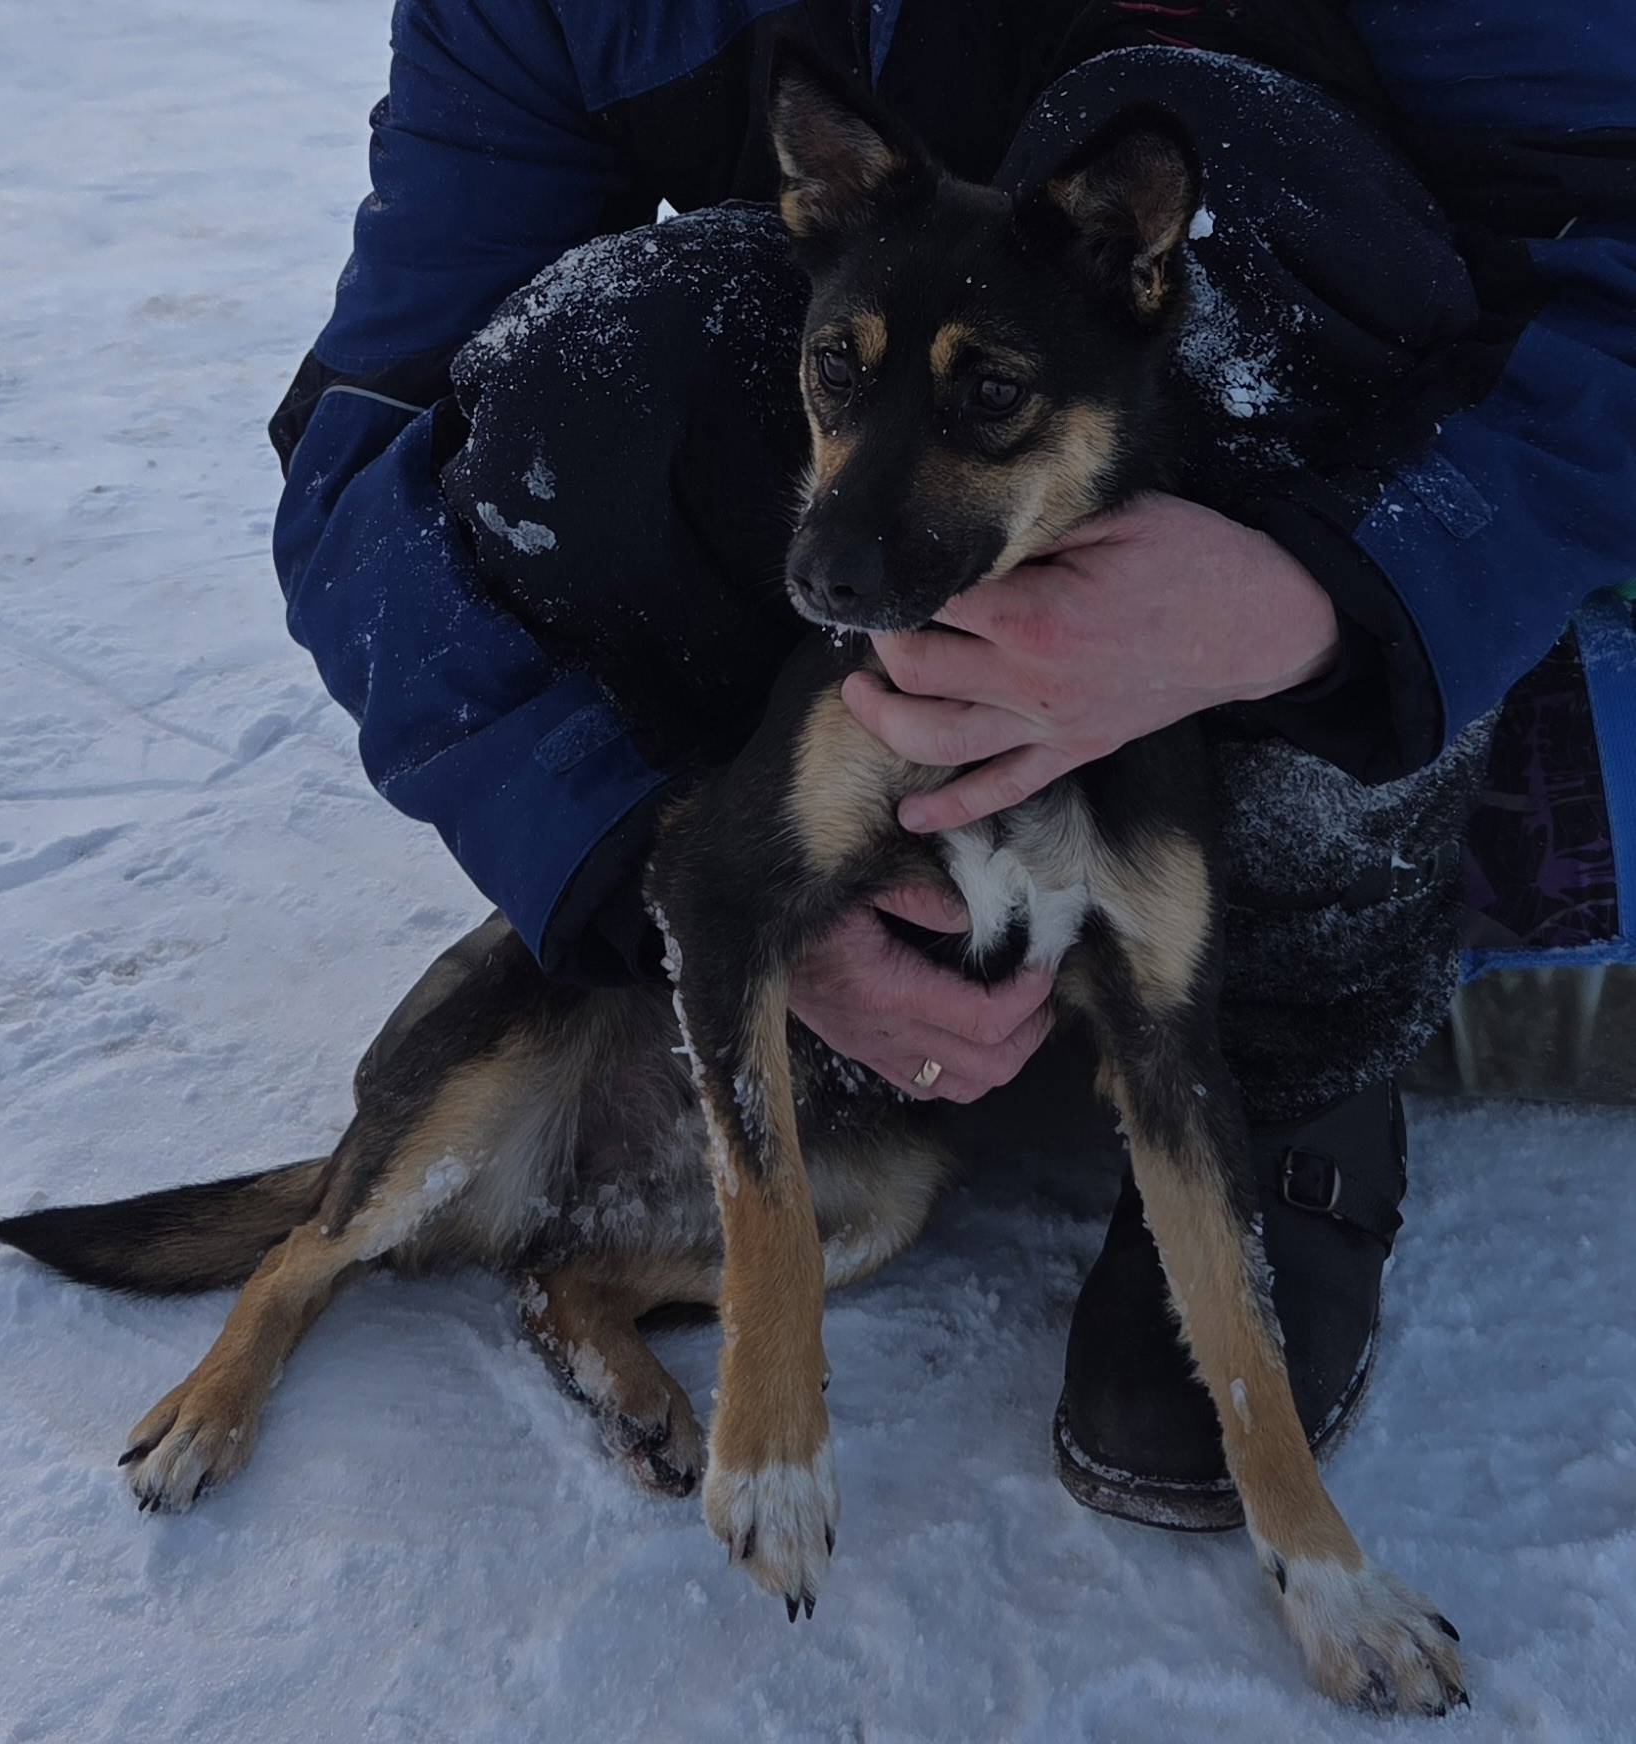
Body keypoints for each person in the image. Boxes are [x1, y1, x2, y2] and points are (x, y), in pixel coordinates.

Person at [269, 1, 1636, 1528]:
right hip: (895, 517)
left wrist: (1336, 598)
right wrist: (615, 841)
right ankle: (848, 881)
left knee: (1233, 159)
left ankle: (1289, 1042)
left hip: (1393, 537)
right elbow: (366, 438)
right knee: (577, 376)